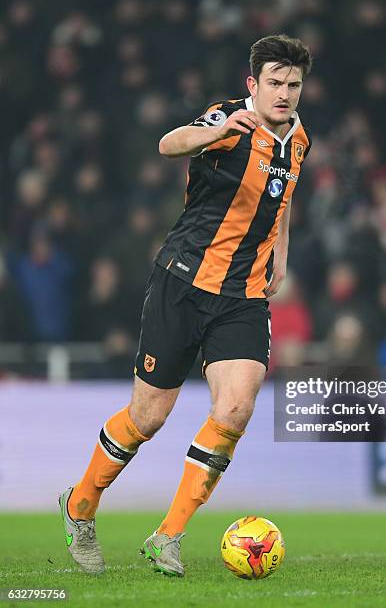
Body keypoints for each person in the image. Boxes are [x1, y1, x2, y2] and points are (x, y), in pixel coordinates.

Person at [59, 34, 312, 577]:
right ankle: (81, 504)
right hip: (183, 283)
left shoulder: (299, 141)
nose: (284, 93)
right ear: (253, 84)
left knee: (236, 409)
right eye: (274, 83)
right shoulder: (229, 120)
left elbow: (283, 199)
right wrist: (214, 131)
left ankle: (167, 537)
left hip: (243, 296)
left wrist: (282, 257)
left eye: (293, 84)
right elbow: (168, 144)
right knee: (148, 416)